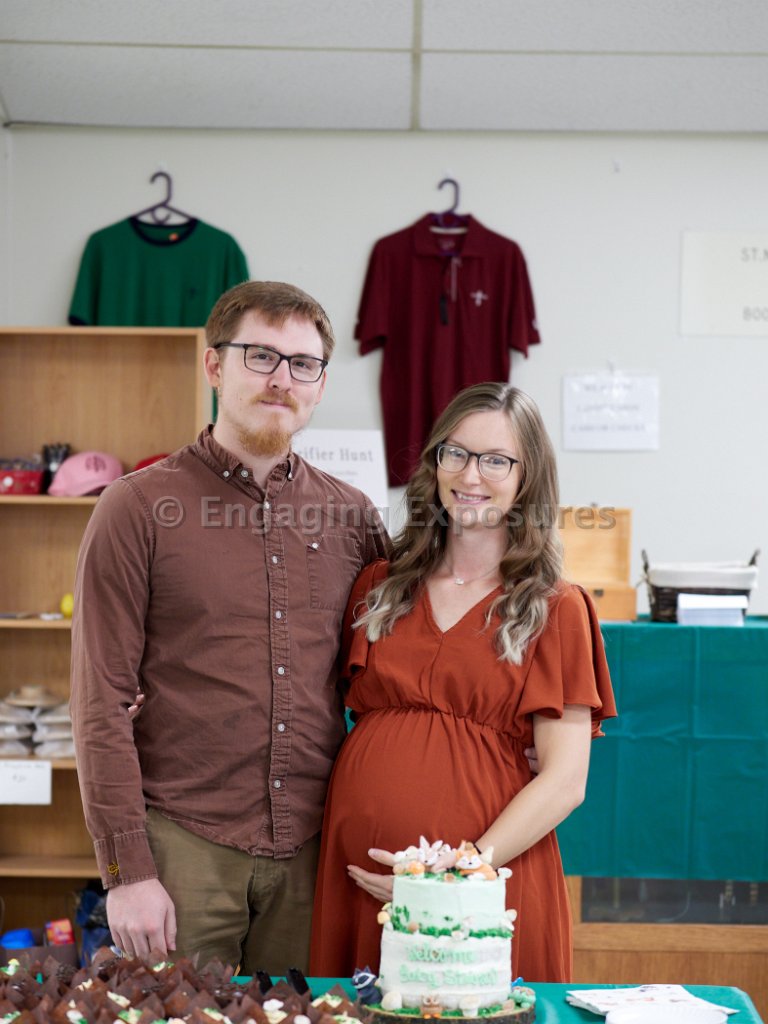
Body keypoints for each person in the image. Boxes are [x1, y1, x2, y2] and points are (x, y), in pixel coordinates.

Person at [70, 281, 389, 975]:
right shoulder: (136, 509)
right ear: (214, 365)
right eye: (260, 356)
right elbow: (100, 703)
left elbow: (396, 679)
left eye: (302, 363)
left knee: (307, 1019)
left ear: (321, 384)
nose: (282, 379)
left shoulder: (355, 519)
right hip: (181, 852)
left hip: (316, 851)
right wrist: (127, 872)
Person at [309, 381, 617, 983]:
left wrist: (457, 873)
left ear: (528, 478)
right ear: (435, 462)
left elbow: (564, 781)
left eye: (496, 460)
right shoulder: (379, 586)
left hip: (481, 888)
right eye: (456, 453)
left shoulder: (555, 607)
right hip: (360, 881)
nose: (471, 475)